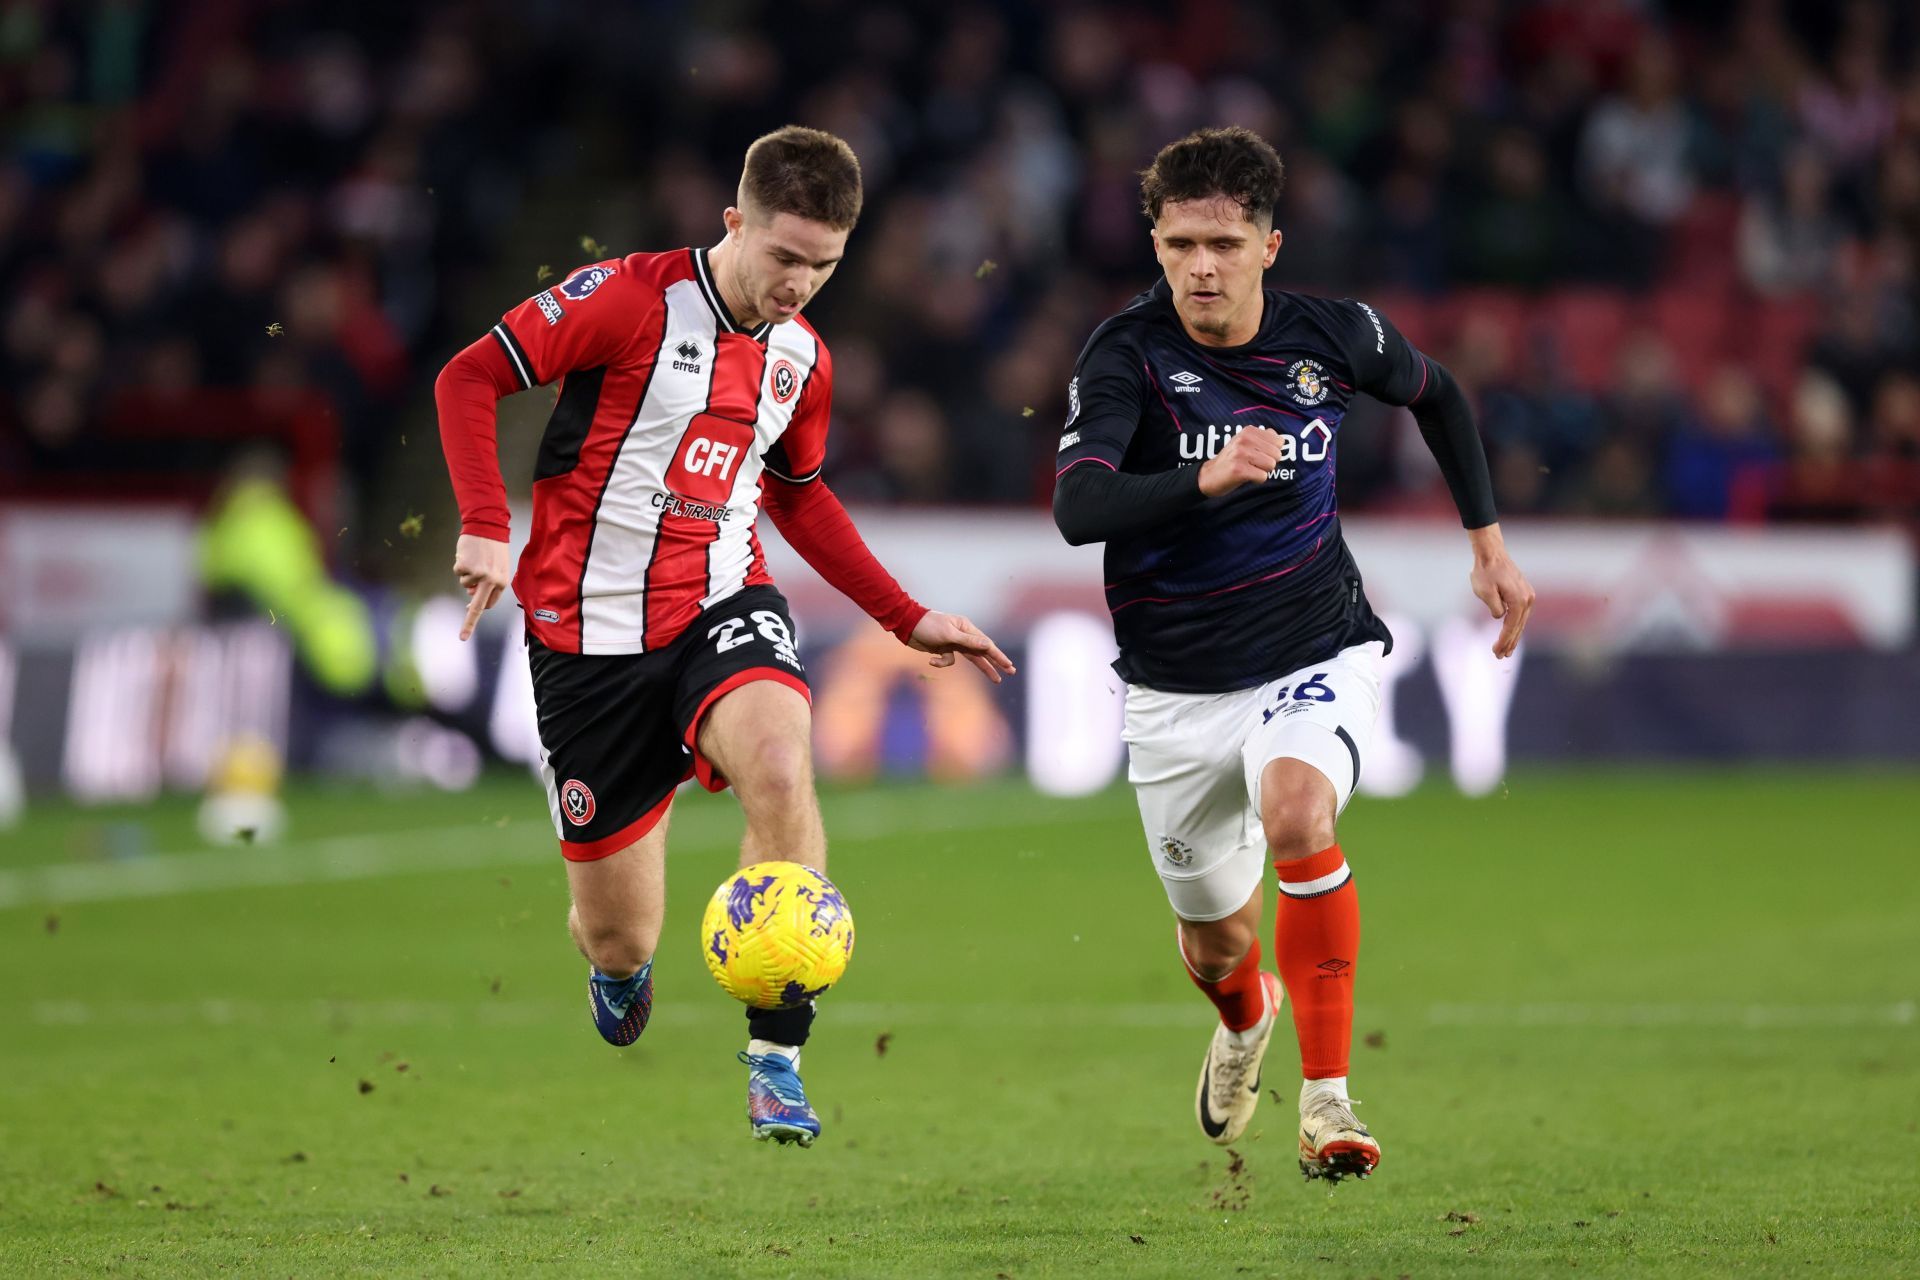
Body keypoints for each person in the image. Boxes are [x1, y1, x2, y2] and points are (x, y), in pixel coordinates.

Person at [434, 126, 1014, 1147]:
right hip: (586, 639)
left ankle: (776, 1056)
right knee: (617, 933)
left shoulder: (804, 361)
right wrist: (486, 521)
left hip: (719, 603)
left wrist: (904, 613)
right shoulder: (624, 299)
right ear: (733, 221)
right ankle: (619, 969)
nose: (798, 284)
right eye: (784, 255)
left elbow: (798, 494)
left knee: (785, 770)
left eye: (823, 265)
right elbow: (468, 378)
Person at [1052, 127, 1533, 1183]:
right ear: (1155, 241)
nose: (1200, 267)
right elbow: (1078, 507)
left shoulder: (1333, 336)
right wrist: (1204, 478)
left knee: (1300, 810)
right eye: (1179, 243)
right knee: (1219, 949)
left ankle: (1327, 1101)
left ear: (1271, 244)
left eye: (1224, 242)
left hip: (1313, 647)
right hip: (1173, 693)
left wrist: (1486, 543)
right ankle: (1248, 1010)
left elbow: (1441, 395)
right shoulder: (1124, 354)